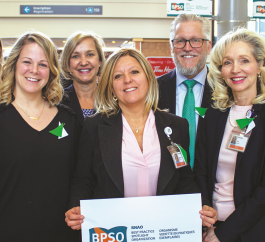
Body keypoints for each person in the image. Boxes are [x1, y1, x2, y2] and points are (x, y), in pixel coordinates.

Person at [65, 48, 217, 231]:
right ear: (111, 87)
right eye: (118, 76)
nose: (127, 80)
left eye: (134, 72)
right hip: (113, 230)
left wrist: (201, 206)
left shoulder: (177, 126)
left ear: (148, 78)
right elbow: (83, 179)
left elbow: (184, 179)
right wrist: (75, 206)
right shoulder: (95, 126)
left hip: (161, 230)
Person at [194, 28, 265, 242]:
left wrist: (223, 234)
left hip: (256, 231)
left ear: (260, 65)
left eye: (244, 60)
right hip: (212, 226)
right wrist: (207, 214)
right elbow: (202, 172)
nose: (235, 69)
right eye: (228, 62)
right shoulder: (213, 114)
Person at [0, 31, 82, 242]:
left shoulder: (69, 119)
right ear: (14, 64)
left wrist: (77, 204)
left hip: (62, 235)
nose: (34, 70)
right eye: (27, 62)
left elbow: (80, 177)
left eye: (43, 64)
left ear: (52, 70)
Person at [157, 13, 212, 169]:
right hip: (167, 188)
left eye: (196, 40)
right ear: (172, 47)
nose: (187, 48)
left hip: (210, 188)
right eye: (180, 41)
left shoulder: (224, 90)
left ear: (208, 46)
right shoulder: (153, 90)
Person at [61, 31, 105, 126]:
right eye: (76, 56)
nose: (83, 62)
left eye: (89, 54)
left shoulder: (112, 101)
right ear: (68, 64)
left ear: (100, 61)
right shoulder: (56, 102)